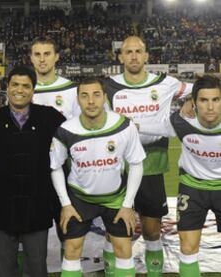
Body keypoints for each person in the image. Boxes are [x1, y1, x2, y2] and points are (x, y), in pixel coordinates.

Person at [0, 65, 65, 276]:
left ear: (33, 90)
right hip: (3, 208)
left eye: (26, 86)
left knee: (37, 269)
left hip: (37, 207)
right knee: (5, 270)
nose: (20, 90)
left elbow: (74, 138)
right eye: (15, 84)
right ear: (7, 88)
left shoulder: (50, 117)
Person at [103, 35, 193, 276]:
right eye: (128, 51)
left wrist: (190, 101)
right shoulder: (107, 86)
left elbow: (204, 89)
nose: (133, 56)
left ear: (146, 56)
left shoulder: (166, 83)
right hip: (117, 169)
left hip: (152, 167)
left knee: (153, 231)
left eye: (138, 51)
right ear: (120, 57)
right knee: (116, 232)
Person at [51, 77, 145, 277]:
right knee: (72, 250)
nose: (91, 101)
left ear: (104, 97)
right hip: (80, 199)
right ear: (78, 100)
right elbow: (55, 167)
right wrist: (66, 204)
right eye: (84, 96)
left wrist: (128, 204)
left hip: (116, 199)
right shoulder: (66, 130)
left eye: (96, 95)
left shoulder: (123, 125)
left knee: (123, 250)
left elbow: (137, 163)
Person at [137, 75, 221, 277]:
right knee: (188, 247)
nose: (210, 107)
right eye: (203, 100)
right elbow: (148, 127)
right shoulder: (180, 123)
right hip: (192, 189)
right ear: (194, 101)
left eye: (216, 100)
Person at [30, 36, 80, 119]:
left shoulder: (72, 89)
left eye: (47, 54)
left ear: (56, 57)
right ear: (31, 58)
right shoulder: (22, 91)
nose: (42, 59)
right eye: (37, 54)